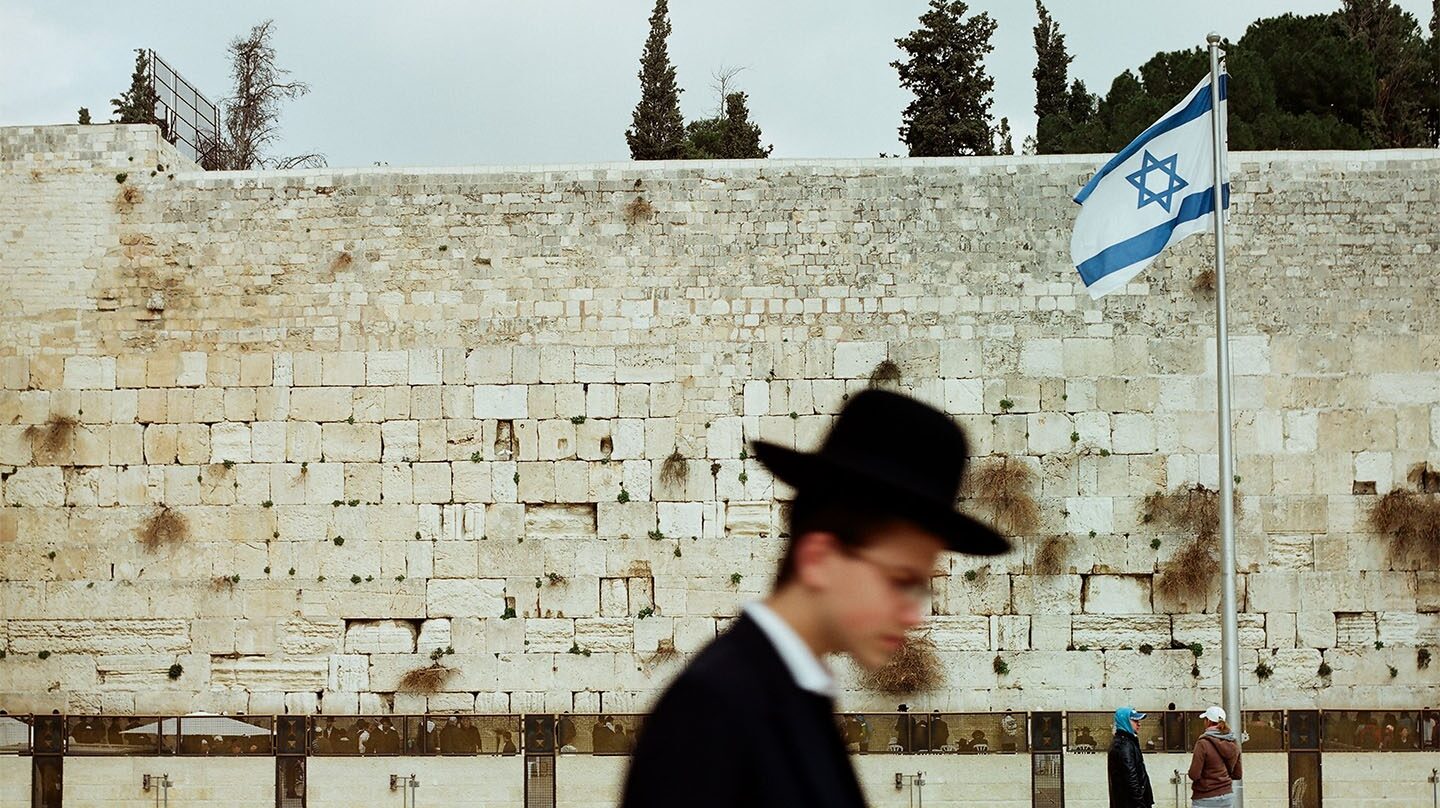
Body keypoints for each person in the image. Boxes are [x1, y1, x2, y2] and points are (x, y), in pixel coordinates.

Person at [622, 389, 1008, 808]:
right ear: (819, 558)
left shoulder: (794, 695)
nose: (914, 614)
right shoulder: (710, 711)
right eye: (901, 581)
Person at [1188, 706, 1241, 808]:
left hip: (1205, 797)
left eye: (1205, 719)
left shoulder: (1203, 743)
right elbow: (1237, 774)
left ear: (1208, 721)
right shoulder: (1233, 742)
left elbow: (1194, 774)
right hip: (1227, 796)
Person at [1107, 707, 1154, 808]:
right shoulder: (1124, 745)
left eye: (1138, 720)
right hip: (1131, 804)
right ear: (1124, 721)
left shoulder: (1127, 742)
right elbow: (1131, 779)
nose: (1139, 723)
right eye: (1135, 720)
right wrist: (1140, 805)